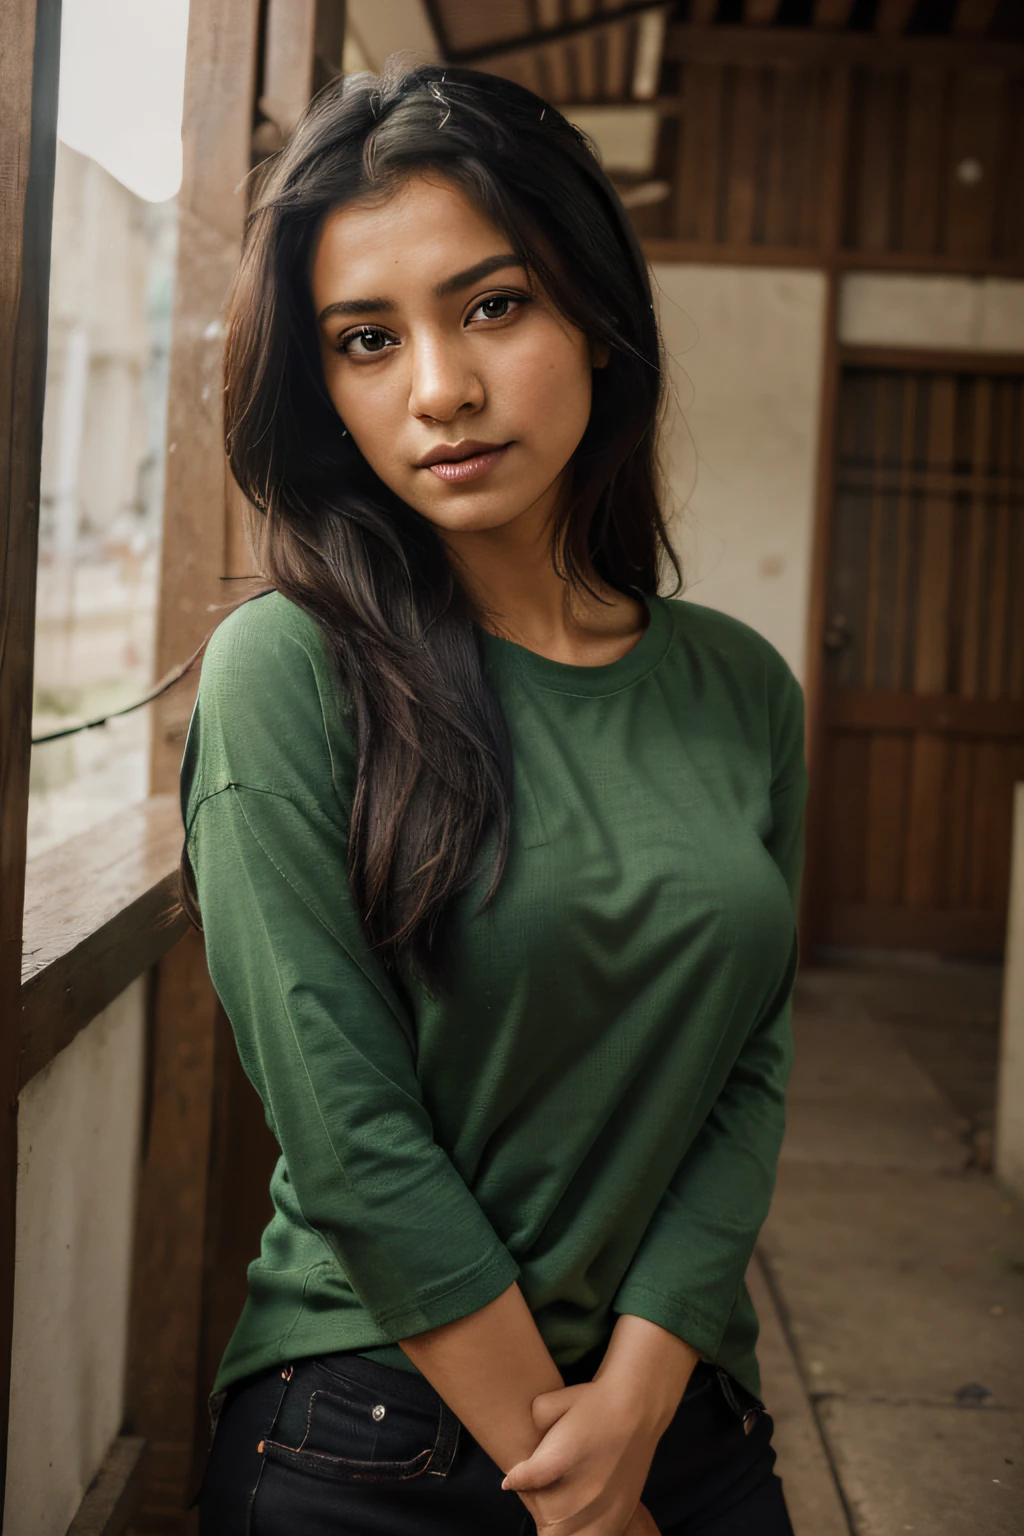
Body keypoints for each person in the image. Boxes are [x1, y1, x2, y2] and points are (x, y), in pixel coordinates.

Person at [184, 59, 806, 1536]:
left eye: (492, 305)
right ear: (321, 385)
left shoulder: (741, 688)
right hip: (367, 1431)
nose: (438, 388)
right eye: (364, 339)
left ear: (595, 308)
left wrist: (638, 1407)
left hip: (681, 1420)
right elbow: (344, 1127)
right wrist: (572, 1475)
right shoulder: (288, 670)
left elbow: (750, 1072)